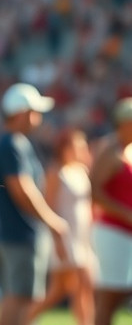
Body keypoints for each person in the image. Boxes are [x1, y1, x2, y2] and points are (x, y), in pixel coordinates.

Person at [0, 82, 70, 325]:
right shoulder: (12, 144)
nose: (38, 118)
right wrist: (52, 221)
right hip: (20, 235)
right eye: (35, 112)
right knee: (19, 298)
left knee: (21, 297)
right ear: (23, 112)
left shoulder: (13, 143)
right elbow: (22, 189)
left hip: (18, 234)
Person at [27, 127, 95, 325]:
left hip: (82, 237)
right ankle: (23, 318)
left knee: (84, 287)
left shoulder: (81, 171)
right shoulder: (56, 172)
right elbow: (50, 206)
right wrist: (57, 240)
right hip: (65, 238)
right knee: (63, 290)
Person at [90, 98, 132, 325]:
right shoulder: (111, 150)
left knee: (118, 293)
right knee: (109, 296)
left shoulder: (126, 150)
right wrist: (126, 214)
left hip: (124, 234)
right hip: (112, 233)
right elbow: (95, 191)